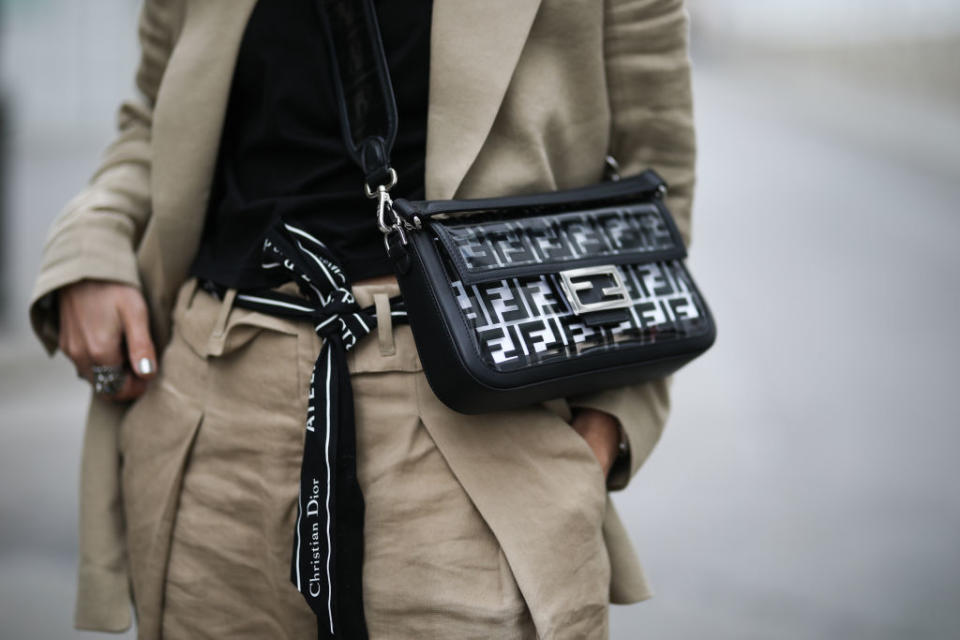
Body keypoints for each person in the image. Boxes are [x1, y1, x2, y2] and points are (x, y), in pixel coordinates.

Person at [28, 0, 697, 638]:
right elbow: (150, 122)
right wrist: (93, 245)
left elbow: (658, 180)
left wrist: (603, 429)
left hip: (479, 423)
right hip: (215, 407)